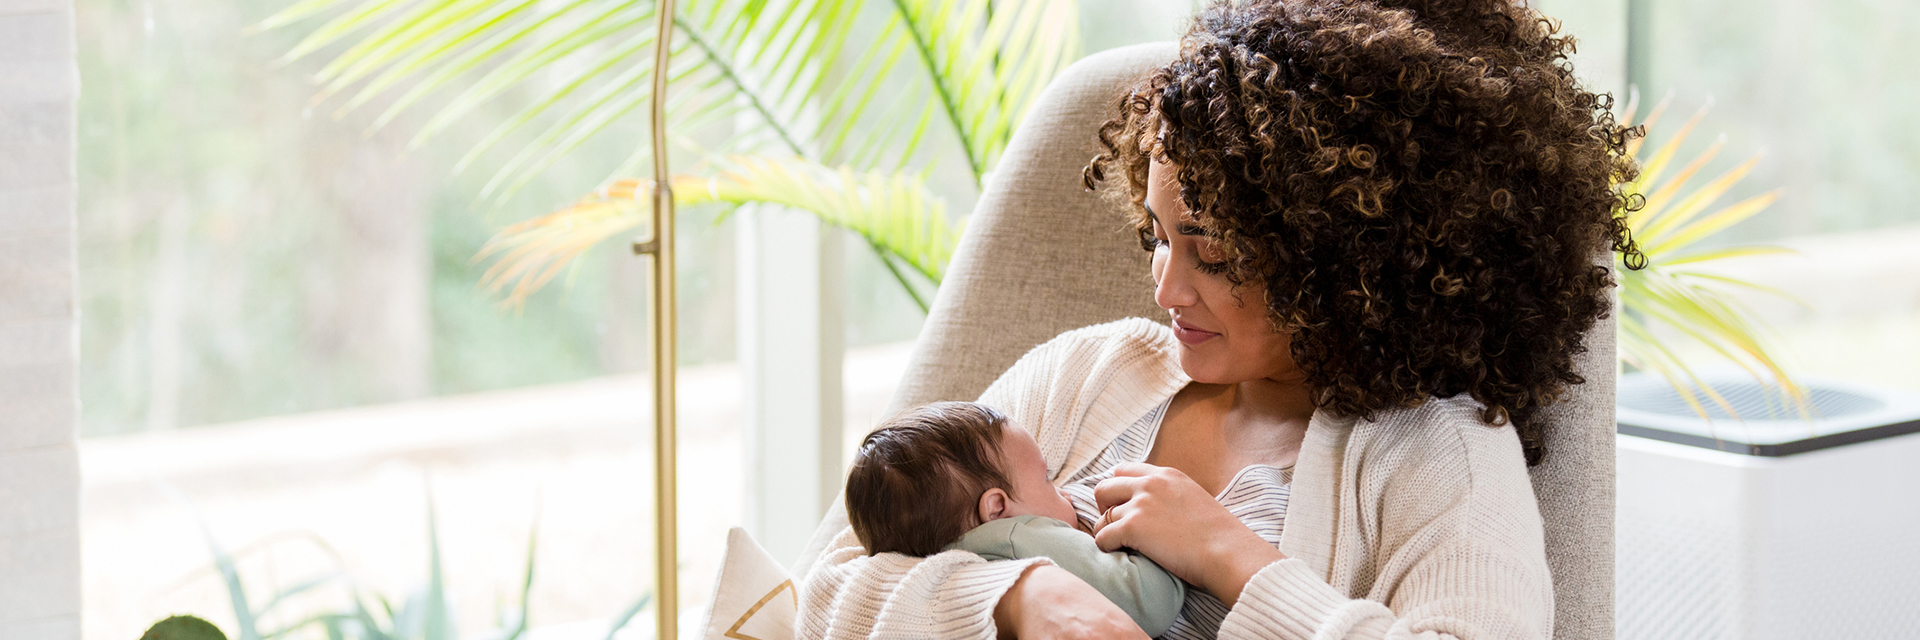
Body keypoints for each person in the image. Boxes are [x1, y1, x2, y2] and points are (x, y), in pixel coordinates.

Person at [797, 0, 1643, 638]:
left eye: (1215, 253)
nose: (1166, 290)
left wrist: (1235, 559)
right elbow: (819, 590)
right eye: (1157, 237)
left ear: (1347, 260)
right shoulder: (1084, 375)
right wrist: (1015, 597)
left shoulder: (1436, 453)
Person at [842, 401, 1186, 637]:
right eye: (1047, 478)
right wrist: (1159, 531)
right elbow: (1149, 602)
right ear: (996, 509)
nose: (1065, 493)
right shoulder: (1021, 534)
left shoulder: (930, 561)